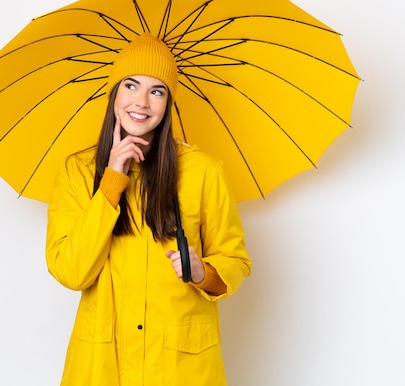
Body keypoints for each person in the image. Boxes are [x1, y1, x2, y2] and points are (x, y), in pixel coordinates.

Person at [45, 32, 251, 386]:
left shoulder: (203, 171)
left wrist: (204, 272)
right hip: (103, 366)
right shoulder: (76, 171)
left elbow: (237, 261)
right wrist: (111, 180)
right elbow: (71, 271)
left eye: (157, 91)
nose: (141, 102)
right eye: (131, 85)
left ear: (168, 102)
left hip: (179, 367)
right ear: (114, 94)